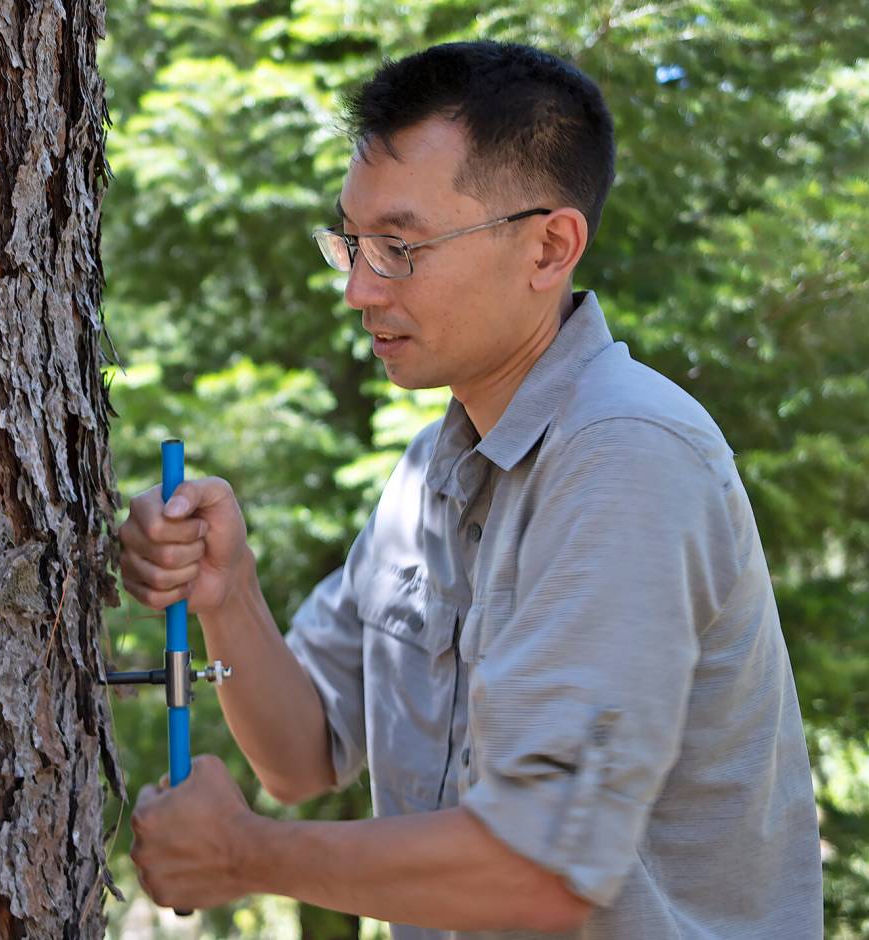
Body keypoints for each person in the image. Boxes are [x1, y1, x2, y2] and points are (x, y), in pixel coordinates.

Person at [117, 41, 822, 939]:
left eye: (401, 247)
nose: (358, 288)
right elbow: (301, 754)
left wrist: (247, 855)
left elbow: (540, 873)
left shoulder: (628, 456)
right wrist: (228, 589)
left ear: (549, 247)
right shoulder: (429, 474)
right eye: (353, 242)